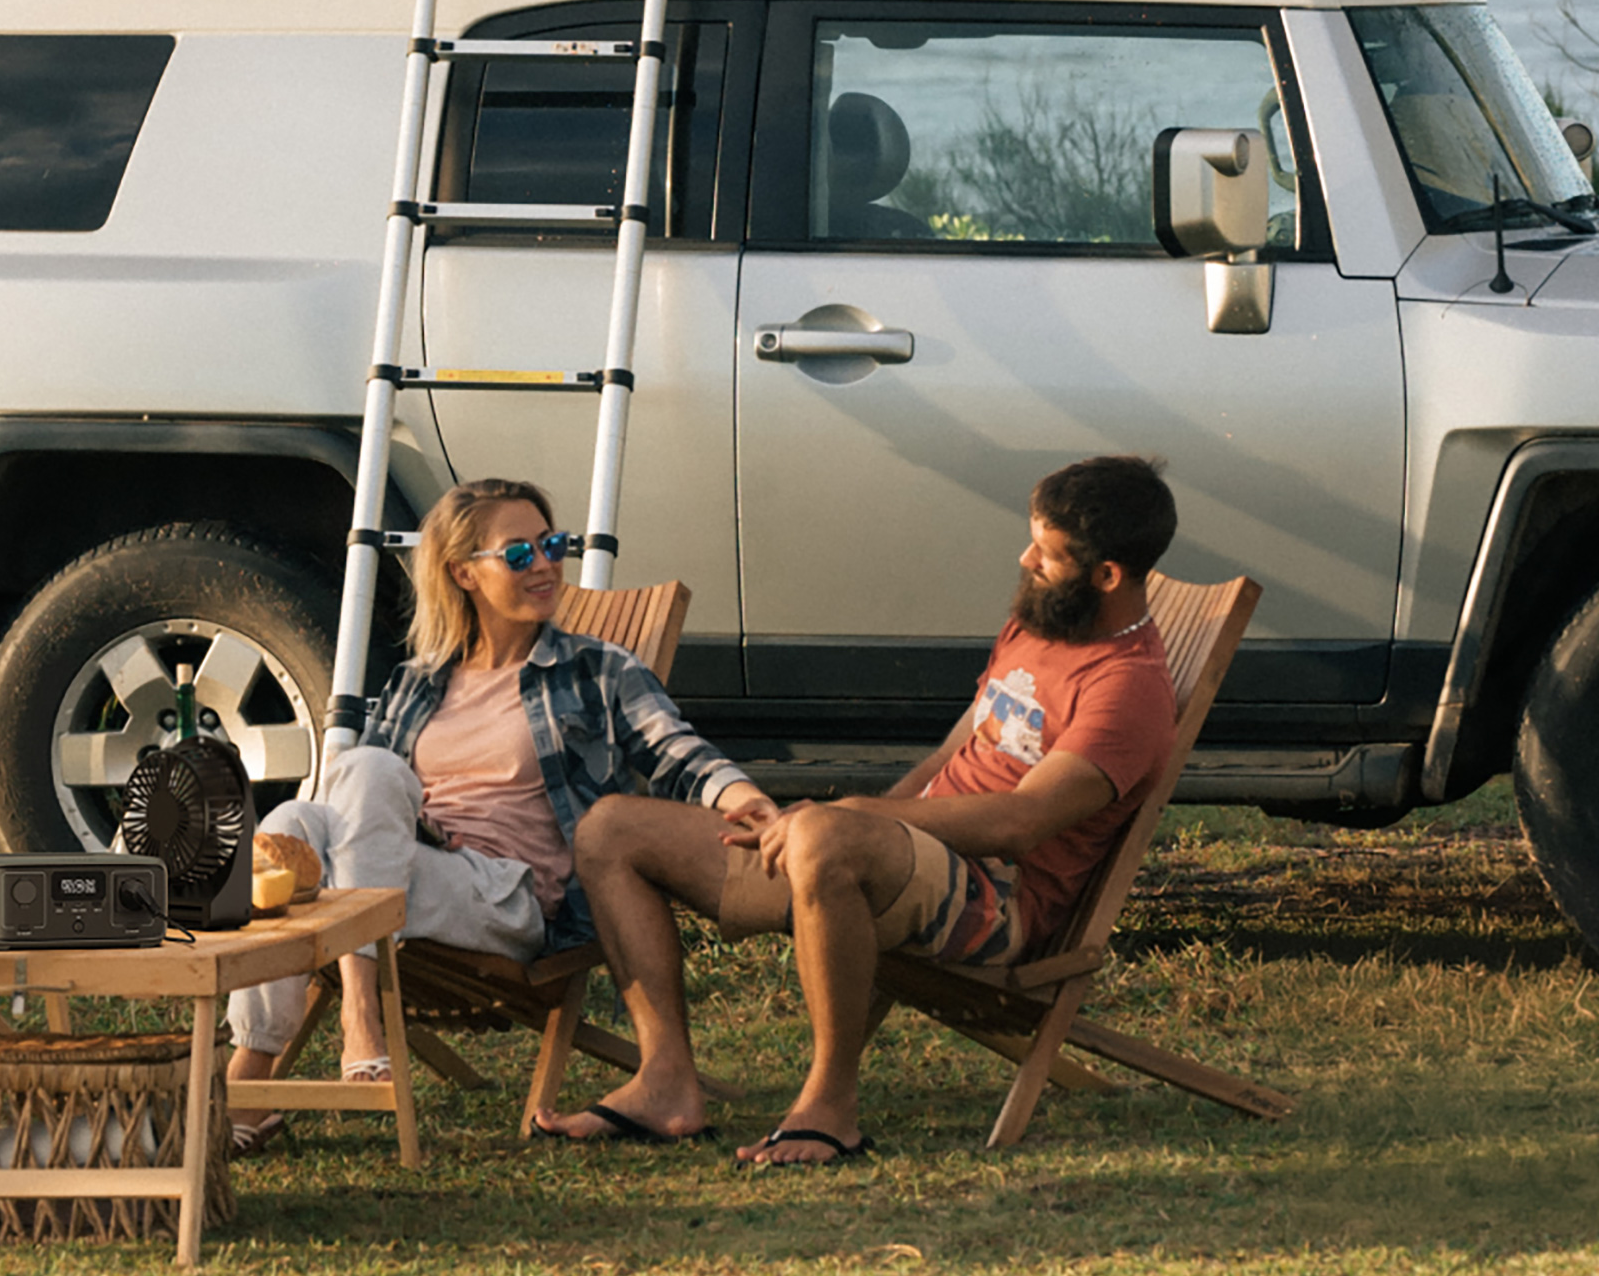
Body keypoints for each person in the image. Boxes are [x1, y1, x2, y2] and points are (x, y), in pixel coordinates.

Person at [565, 454, 1183, 1167]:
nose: (1026, 559)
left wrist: (850, 820)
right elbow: (959, 746)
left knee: (828, 834)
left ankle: (829, 1107)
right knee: (612, 827)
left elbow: (1023, 819)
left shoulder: (1128, 689)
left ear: (1108, 574)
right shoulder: (1043, 622)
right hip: (894, 859)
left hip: (997, 898)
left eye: (1047, 553)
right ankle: (666, 1082)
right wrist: (863, 823)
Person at [224, 475, 777, 1149]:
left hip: (510, 896)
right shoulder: (416, 681)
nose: (545, 564)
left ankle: (351, 1027)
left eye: (552, 545)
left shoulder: (595, 670)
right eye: (519, 554)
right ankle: (254, 1085)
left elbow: (676, 752)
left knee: (360, 780)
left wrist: (746, 800)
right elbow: (357, 811)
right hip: (409, 874)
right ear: (464, 573)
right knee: (292, 826)